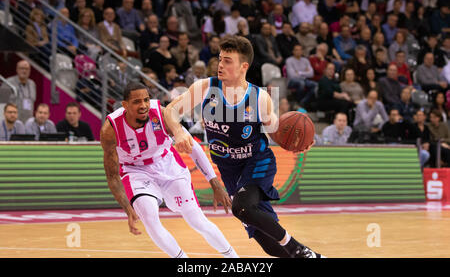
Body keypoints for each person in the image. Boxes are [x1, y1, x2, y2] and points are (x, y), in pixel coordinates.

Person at [163, 35, 323, 258]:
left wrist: (299, 142)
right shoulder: (205, 88)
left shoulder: (259, 98)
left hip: (257, 162)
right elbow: (169, 111)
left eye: (228, 60)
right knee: (269, 244)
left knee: (241, 207)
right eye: (220, 59)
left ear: (243, 66)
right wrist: (179, 131)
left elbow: (276, 131)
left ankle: (299, 250)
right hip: (229, 169)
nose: (220, 64)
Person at [100, 81, 238, 258]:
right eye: (136, 102)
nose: (143, 105)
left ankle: (233, 258)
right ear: (125, 105)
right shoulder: (110, 129)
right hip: (135, 171)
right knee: (149, 218)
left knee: (197, 221)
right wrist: (127, 208)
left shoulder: (163, 114)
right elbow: (112, 175)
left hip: (167, 163)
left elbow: (193, 147)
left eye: (146, 100)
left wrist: (214, 183)